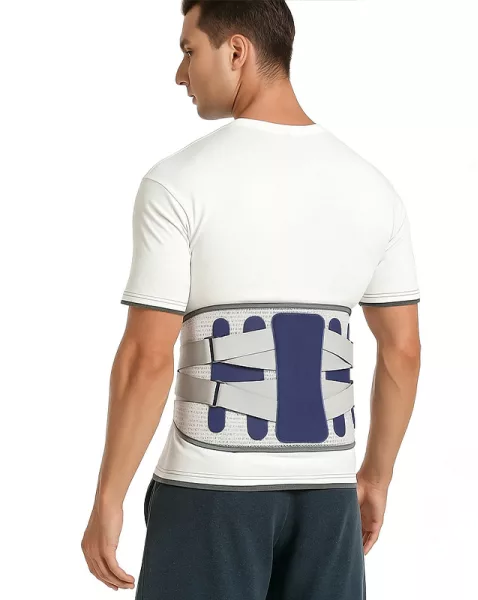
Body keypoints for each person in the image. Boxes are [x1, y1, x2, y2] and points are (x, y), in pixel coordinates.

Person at [80, 1, 421, 598]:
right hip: (327, 500)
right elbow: (403, 351)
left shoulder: (177, 183)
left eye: (189, 51)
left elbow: (146, 358)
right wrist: (375, 476)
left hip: (209, 496)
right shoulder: (374, 189)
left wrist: (109, 496)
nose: (180, 75)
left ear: (236, 51)